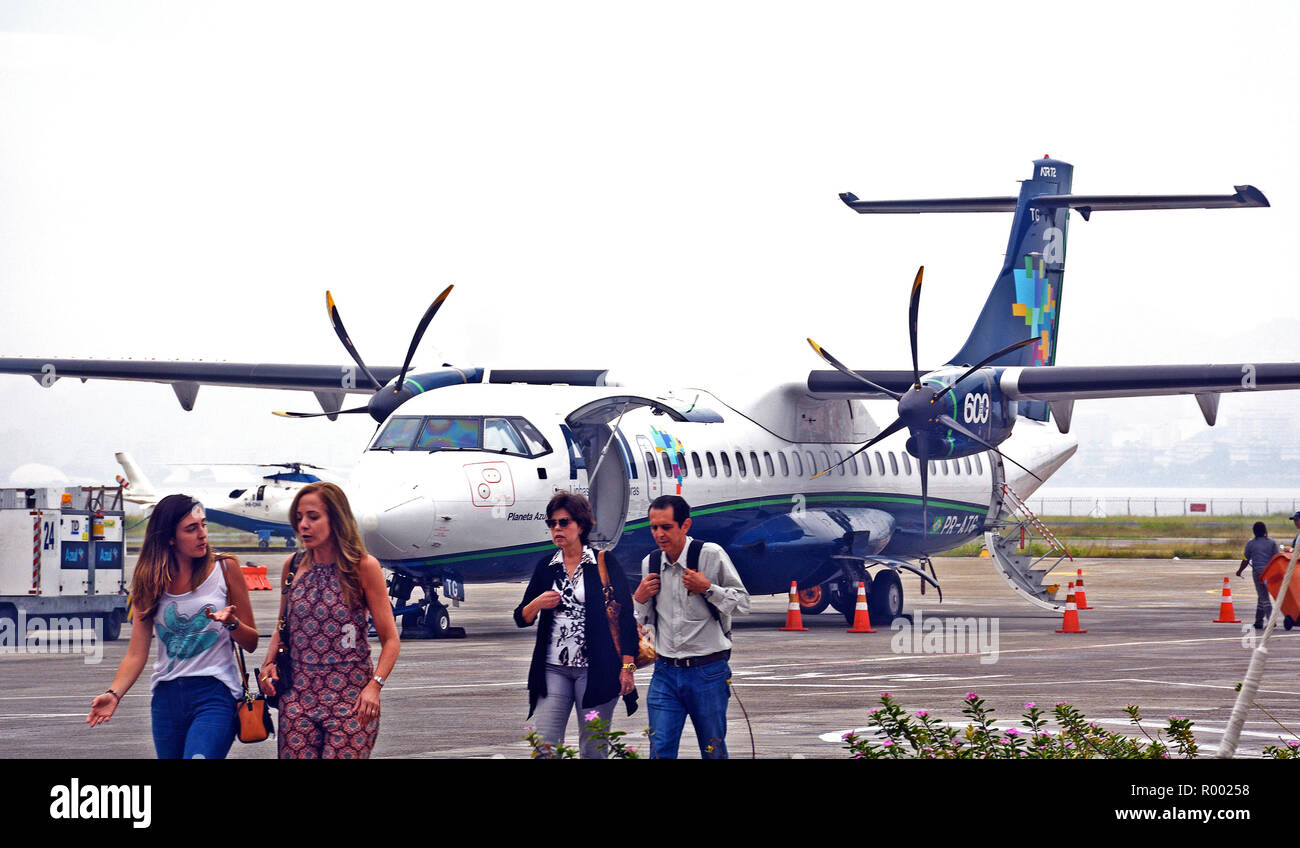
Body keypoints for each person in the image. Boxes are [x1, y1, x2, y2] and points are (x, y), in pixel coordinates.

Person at [87, 494, 257, 759]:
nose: (202, 534)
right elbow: (136, 653)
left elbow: (252, 642)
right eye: (191, 529)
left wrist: (232, 623)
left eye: (203, 525)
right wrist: (114, 694)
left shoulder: (225, 568)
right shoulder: (149, 580)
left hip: (215, 693)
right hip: (166, 698)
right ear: (170, 537)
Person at [259, 482, 399, 758]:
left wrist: (375, 686)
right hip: (297, 699)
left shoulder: (363, 566)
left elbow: (391, 640)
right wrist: (268, 665)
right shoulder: (293, 566)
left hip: (351, 701)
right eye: (299, 518)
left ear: (335, 519)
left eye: (313, 517)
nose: (304, 526)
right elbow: (281, 628)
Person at [514, 491, 637, 758]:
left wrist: (627, 667)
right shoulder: (546, 566)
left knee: (593, 747)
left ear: (581, 525)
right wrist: (537, 604)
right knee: (544, 745)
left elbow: (625, 618)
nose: (557, 528)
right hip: (552, 670)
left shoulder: (603, 564)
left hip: (596, 671)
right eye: (552, 523)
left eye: (564, 522)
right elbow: (521, 617)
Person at [633, 494, 749, 759]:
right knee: (660, 748)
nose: (659, 534)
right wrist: (639, 600)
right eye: (654, 527)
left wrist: (708, 588)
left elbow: (742, 603)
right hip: (665, 671)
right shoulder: (650, 563)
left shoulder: (711, 554)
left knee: (713, 749)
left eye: (666, 527)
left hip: (707, 670)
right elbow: (644, 623)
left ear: (685, 526)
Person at [1237, 521, 1279, 630]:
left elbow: (1245, 559)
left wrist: (1240, 571)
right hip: (1270, 573)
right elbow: (1277, 559)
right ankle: (1258, 621)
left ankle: (1271, 620)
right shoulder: (1272, 543)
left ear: (1254, 531)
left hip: (1257, 573)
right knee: (1262, 596)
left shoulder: (1251, 543)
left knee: (1263, 597)